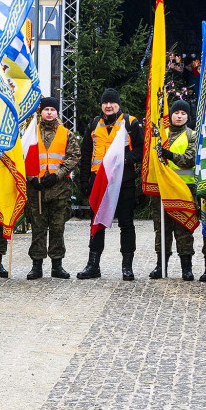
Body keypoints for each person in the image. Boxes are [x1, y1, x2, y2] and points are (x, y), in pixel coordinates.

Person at [77, 88, 144, 281]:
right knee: (96, 223)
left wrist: (125, 159)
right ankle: (93, 265)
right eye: (105, 103)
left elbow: (140, 150)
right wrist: (84, 181)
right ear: (101, 105)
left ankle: (127, 267)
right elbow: (86, 155)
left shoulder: (130, 123)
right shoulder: (93, 125)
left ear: (118, 104)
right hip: (99, 182)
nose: (108, 106)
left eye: (112, 103)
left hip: (124, 182)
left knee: (126, 223)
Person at [26, 97, 79, 280]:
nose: (49, 112)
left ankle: (57, 265)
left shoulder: (66, 134)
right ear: (41, 112)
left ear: (57, 112)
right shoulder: (31, 132)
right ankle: (36, 265)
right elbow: (22, 155)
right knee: (38, 228)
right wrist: (32, 178)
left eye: (52, 109)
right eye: (46, 109)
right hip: (37, 189)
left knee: (57, 228)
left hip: (59, 189)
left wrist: (57, 175)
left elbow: (74, 157)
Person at [152, 102, 196, 281]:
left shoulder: (192, 135)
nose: (179, 116)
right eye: (176, 112)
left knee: (184, 228)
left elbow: (189, 160)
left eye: (183, 113)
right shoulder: (161, 135)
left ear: (187, 116)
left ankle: (187, 267)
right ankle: (160, 266)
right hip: (162, 189)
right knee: (162, 229)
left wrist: (169, 155)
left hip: (184, 189)